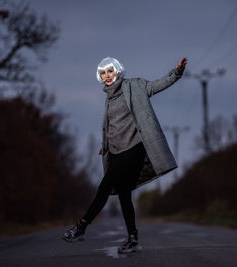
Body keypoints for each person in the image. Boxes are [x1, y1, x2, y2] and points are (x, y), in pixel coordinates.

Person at [62, 56, 187, 254]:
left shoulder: (135, 86)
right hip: (116, 151)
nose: (107, 76)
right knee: (124, 194)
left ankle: (81, 226)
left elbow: (157, 86)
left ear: (118, 71)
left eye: (110, 71)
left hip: (135, 147)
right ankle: (132, 238)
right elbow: (112, 126)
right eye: (103, 73)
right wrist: (105, 145)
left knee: (105, 185)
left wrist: (176, 73)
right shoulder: (109, 99)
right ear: (100, 77)